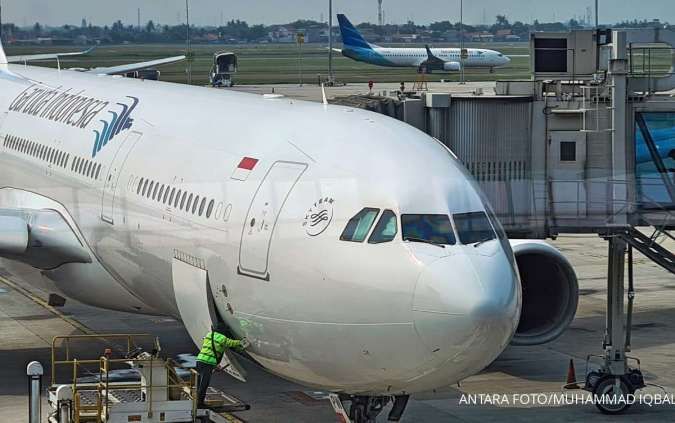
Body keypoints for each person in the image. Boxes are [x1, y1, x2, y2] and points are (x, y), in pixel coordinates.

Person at [196, 324, 249, 407]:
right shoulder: (222, 338)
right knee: (204, 383)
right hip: (208, 362)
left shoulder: (209, 334)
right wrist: (243, 341)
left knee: (199, 381)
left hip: (199, 360)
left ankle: (196, 398)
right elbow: (232, 343)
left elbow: (211, 349)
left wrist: (215, 366)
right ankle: (200, 403)